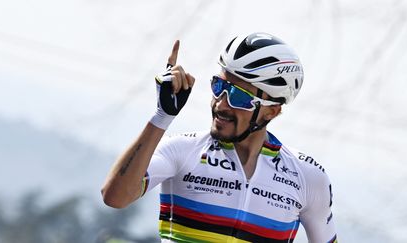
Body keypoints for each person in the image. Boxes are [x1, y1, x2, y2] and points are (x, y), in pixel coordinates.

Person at [101, 32, 338, 243]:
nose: (221, 104)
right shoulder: (183, 150)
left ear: (271, 111)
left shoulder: (307, 177)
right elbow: (115, 196)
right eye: (219, 86)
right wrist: (161, 118)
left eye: (239, 97)